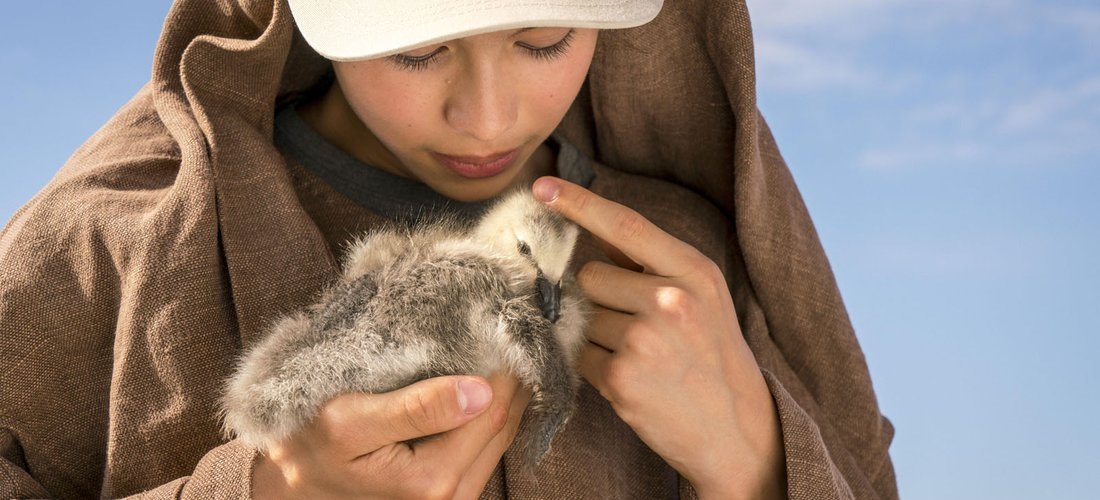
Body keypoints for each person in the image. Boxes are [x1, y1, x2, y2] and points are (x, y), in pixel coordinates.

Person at [0, 0, 898, 498]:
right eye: (419, 50)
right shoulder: (116, 243)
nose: (489, 117)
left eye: (544, 39)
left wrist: (756, 467)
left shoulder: (687, 264)